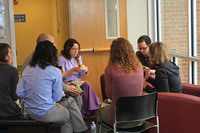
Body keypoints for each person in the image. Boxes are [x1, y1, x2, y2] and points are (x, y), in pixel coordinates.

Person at [16, 41, 88, 133]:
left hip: (30, 111)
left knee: (70, 102)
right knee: (69, 115)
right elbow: (57, 98)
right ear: (52, 55)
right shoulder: (54, 71)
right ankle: (82, 130)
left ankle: (82, 130)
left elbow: (19, 93)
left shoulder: (27, 69)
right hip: (45, 112)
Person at [21, 33, 82, 110]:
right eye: (53, 43)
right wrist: (66, 88)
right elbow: (46, 84)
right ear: (45, 45)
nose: (55, 46)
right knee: (74, 100)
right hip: (43, 100)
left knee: (77, 96)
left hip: (46, 94)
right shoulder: (33, 62)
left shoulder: (40, 58)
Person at [96, 38, 144, 133]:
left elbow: (109, 95)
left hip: (119, 118)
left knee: (100, 111)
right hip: (139, 117)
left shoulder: (110, 69)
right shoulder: (139, 66)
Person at [58, 38, 101, 118]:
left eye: (77, 49)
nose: (76, 51)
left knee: (85, 85)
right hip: (67, 82)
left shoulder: (78, 58)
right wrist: (73, 70)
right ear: (68, 49)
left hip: (77, 81)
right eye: (73, 49)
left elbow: (80, 76)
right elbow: (62, 76)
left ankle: (89, 110)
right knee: (86, 85)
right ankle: (94, 108)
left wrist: (84, 71)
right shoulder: (61, 59)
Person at [0, 43, 20, 132]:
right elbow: (14, 96)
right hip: (5, 110)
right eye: (10, 53)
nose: (12, 55)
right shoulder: (12, 70)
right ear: (6, 56)